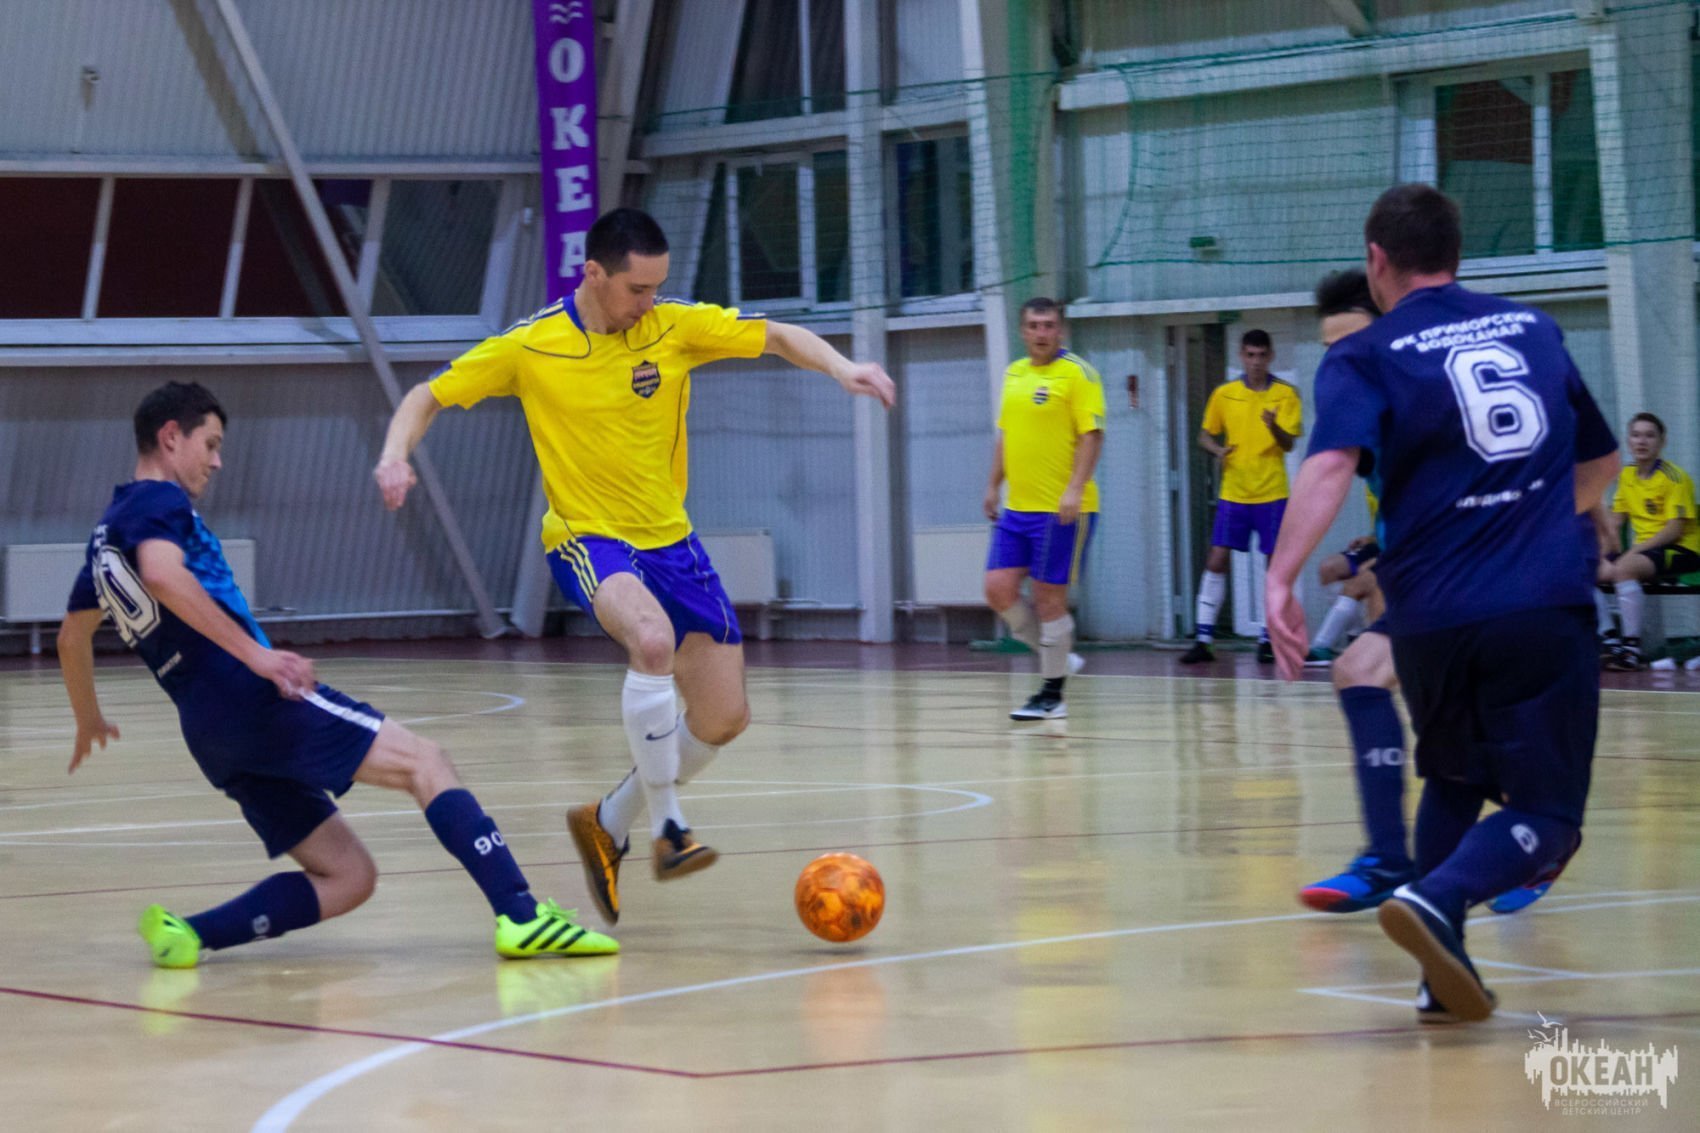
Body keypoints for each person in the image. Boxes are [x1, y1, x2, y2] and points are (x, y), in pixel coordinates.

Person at [375, 208, 895, 926]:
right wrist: (394, 455)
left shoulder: (673, 327)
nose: (649, 302)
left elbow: (776, 335)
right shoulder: (532, 346)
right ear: (594, 273)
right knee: (651, 641)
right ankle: (670, 826)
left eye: (657, 287)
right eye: (637, 289)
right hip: (589, 539)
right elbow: (425, 396)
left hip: (673, 543)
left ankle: (608, 821)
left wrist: (844, 368)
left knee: (723, 717)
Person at [58, 382, 616, 969]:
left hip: (210, 732)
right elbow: (163, 574)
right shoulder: (158, 501)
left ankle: (189, 935)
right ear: (171, 437)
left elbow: (72, 638)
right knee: (426, 762)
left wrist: (87, 717)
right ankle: (522, 915)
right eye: (211, 444)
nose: (217, 461)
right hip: (253, 699)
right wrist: (258, 658)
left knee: (349, 877)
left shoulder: (107, 535)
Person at [1266, 184, 1618, 1024]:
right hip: (1538, 604)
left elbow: (1329, 465)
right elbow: (1601, 464)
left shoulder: (1365, 352)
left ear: (1376, 260)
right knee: (1548, 813)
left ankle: (1436, 974)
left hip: (1429, 616)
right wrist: (1529, 521)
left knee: (1455, 779)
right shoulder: (1534, 328)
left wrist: (1280, 579)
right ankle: (1438, 896)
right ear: (1457, 254)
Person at [1295, 272, 1563, 920]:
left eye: (1351, 343)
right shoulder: (1380, 400)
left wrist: (1286, 574)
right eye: (1330, 349)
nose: (1341, 360)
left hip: (1490, 583)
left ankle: (1496, 846)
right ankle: (1439, 852)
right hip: (1444, 581)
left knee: (1385, 685)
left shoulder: (1417, 397)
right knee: (1415, 713)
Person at [982, 297, 1105, 720]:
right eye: (1034, 325)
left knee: (1048, 598)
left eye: (1049, 325)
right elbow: (1006, 435)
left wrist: (1075, 489)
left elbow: (1092, 436)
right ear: (1023, 331)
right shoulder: (1014, 373)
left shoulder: (1079, 374)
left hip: (1062, 510)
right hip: (1017, 509)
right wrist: (992, 485)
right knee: (997, 589)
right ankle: (1059, 657)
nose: (1041, 333)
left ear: (1061, 330)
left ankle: (1052, 696)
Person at [1181, 329, 1302, 665]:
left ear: (1271, 356)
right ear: (1241, 356)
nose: (1256, 362)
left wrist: (1273, 426)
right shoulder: (1225, 394)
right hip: (1234, 492)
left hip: (1272, 492)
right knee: (1217, 558)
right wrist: (1217, 450)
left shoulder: (1285, 394)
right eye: (1250, 355)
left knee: (1273, 566)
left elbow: (1289, 443)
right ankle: (1203, 639)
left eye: (1261, 355)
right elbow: (1204, 435)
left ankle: (1268, 637)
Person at [1594, 412, 1700, 671]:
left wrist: (1634, 551)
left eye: (1650, 436)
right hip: (1646, 552)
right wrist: (1598, 553)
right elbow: (1615, 522)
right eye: (1636, 435)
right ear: (1629, 441)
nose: (1642, 441)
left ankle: (1631, 649)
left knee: (1625, 568)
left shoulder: (1675, 478)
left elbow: (1674, 530)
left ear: (1662, 442)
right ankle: (1610, 641)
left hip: (1682, 549)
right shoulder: (1627, 476)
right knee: (1584, 570)